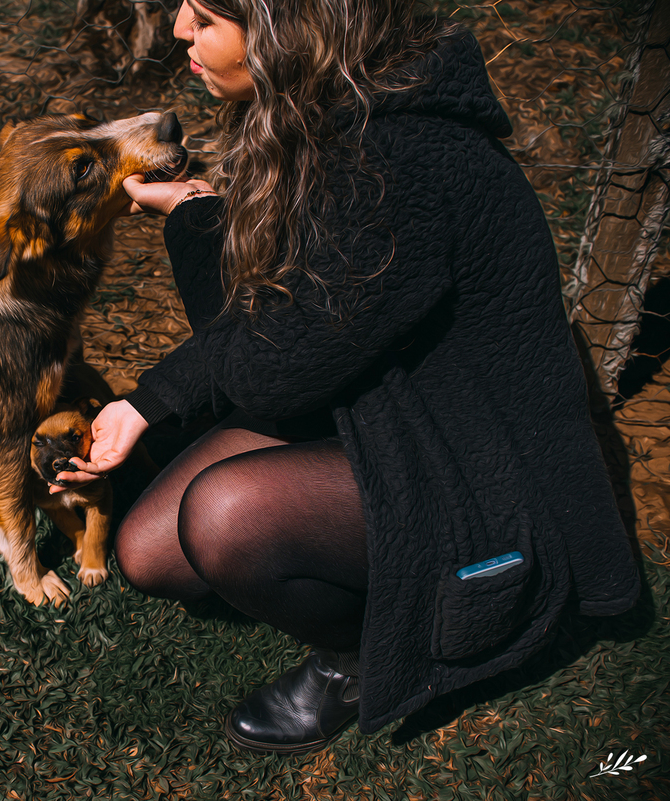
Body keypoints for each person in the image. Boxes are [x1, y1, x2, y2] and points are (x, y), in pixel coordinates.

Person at [53, 0, 641, 754]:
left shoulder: (397, 162)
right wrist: (151, 395)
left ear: (279, 28)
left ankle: (355, 660)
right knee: (147, 549)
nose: (175, 29)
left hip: (484, 482)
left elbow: (271, 369)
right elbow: (277, 321)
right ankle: (362, 582)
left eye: (203, 17)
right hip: (394, 414)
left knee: (225, 517)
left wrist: (195, 226)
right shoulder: (337, 116)